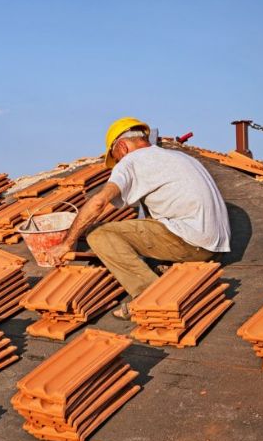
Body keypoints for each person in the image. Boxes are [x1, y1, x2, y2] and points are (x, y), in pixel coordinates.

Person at [47, 117, 231, 319]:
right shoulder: (180, 157)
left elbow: (99, 202)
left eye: (115, 157)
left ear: (123, 147)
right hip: (217, 247)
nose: (117, 162)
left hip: (193, 244)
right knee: (149, 208)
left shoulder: (131, 161)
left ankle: (149, 296)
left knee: (98, 234)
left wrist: (66, 243)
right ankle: (167, 266)